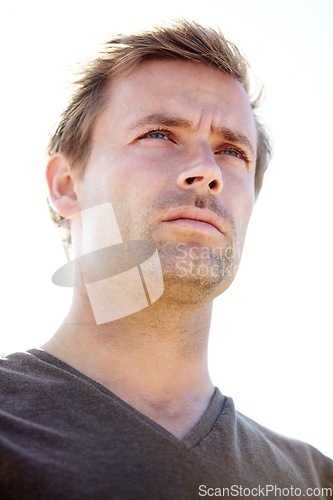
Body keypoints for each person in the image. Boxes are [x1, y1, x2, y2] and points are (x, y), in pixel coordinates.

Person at [0, 19, 332, 499]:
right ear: (67, 185)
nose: (206, 171)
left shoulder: (313, 482)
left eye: (232, 151)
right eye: (159, 134)